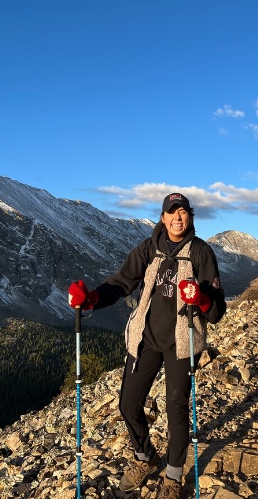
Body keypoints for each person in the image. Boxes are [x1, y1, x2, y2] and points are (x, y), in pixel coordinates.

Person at [68, 192, 226, 498]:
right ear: (163, 217)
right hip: (146, 339)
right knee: (128, 405)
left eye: (183, 212)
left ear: (190, 216)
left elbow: (217, 310)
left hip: (182, 342)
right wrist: (90, 300)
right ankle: (146, 458)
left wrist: (202, 298)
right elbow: (121, 282)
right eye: (172, 213)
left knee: (176, 409)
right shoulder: (148, 248)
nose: (178, 218)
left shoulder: (201, 253)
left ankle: (173, 477)